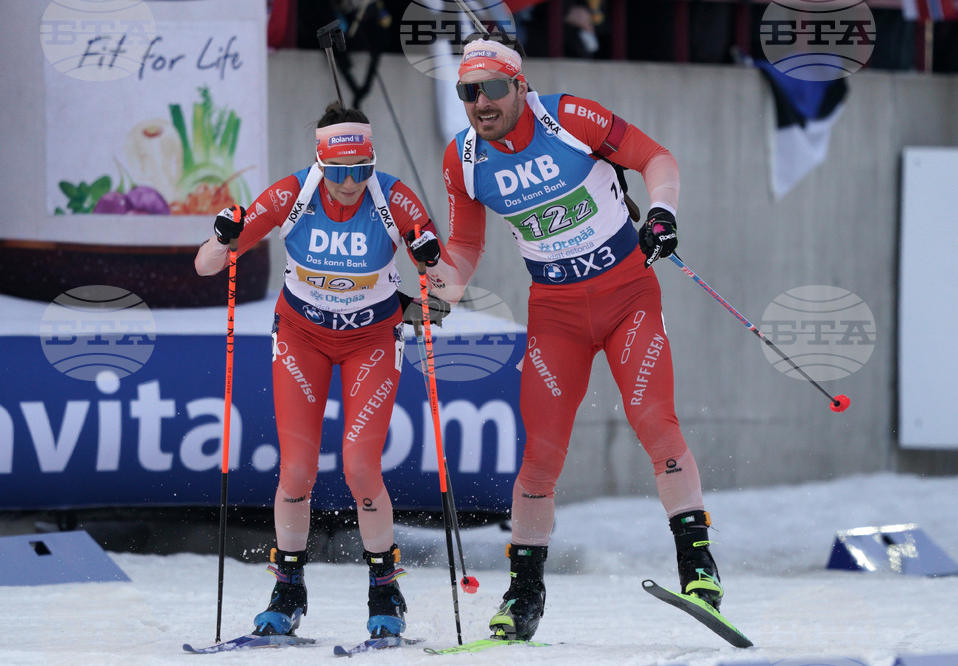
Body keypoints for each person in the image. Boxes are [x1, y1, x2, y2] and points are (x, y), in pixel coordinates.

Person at [422, 36, 723, 641]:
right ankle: (524, 596)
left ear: (519, 84)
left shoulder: (568, 118)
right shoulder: (465, 160)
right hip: (555, 310)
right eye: (467, 92)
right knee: (540, 455)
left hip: (627, 295)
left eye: (492, 88)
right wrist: (440, 290)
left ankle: (698, 568)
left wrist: (661, 214)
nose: (480, 102)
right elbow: (466, 247)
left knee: (655, 422)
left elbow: (655, 158)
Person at [194, 102, 448, 640]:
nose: (351, 182)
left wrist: (429, 257)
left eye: (362, 168)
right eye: (339, 172)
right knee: (297, 471)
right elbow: (206, 265)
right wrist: (222, 235)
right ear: (319, 163)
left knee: (360, 468)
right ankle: (288, 589)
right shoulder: (291, 195)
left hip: (370, 342)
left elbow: (446, 285)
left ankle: (385, 589)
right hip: (301, 337)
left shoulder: (393, 197)